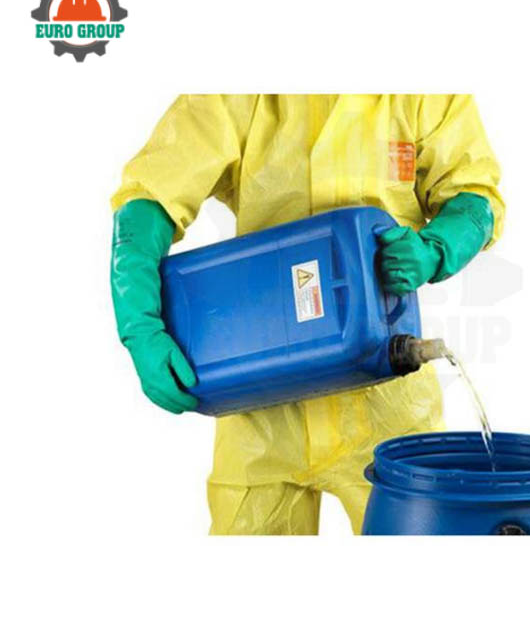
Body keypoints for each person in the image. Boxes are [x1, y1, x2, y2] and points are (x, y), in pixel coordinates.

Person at [110, 94, 505, 534]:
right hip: (262, 409)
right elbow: (151, 196)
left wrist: (436, 247)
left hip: (388, 402)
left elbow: (476, 196)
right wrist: (139, 324)